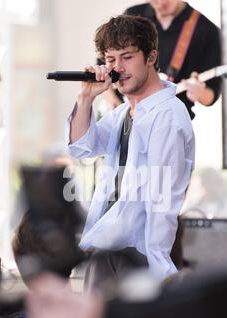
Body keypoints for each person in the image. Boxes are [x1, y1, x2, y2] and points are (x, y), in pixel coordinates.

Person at [66, 15, 195, 287]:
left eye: (127, 57)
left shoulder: (167, 116)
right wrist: (86, 98)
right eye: (110, 60)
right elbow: (81, 147)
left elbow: (162, 200)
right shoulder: (125, 112)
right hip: (107, 249)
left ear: (151, 57)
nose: (118, 68)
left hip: (139, 255)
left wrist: (158, 267)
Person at [103, 1, 221, 120]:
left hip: (171, 119)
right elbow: (104, 65)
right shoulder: (133, 14)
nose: (161, 3)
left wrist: (200, 92)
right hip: (124, 114)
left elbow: (211, 94)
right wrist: (113, 101)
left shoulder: (206, 30)